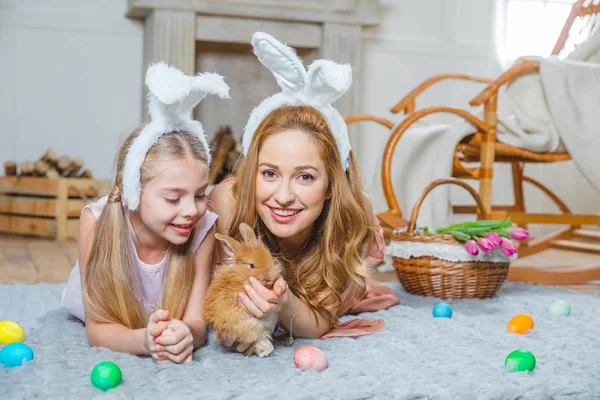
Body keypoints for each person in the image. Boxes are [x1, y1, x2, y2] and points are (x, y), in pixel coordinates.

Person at [210, 32, 399, 353]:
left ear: (330, 186)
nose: (283, 196)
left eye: (305, 177)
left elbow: (319, 323)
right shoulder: (228, 202)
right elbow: (213, 299)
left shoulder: (352, 216)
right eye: (269, 173)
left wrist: (281, 301)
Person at [61, 63, 230, 363]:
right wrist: (143, 340)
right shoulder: (96, 223)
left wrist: (185, 334)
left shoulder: (202, 229)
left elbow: (197, 322)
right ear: (132, 193)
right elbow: (97, 328)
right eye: (173, 198)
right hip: (117, 318)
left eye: (200, 195)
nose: (191, 210)